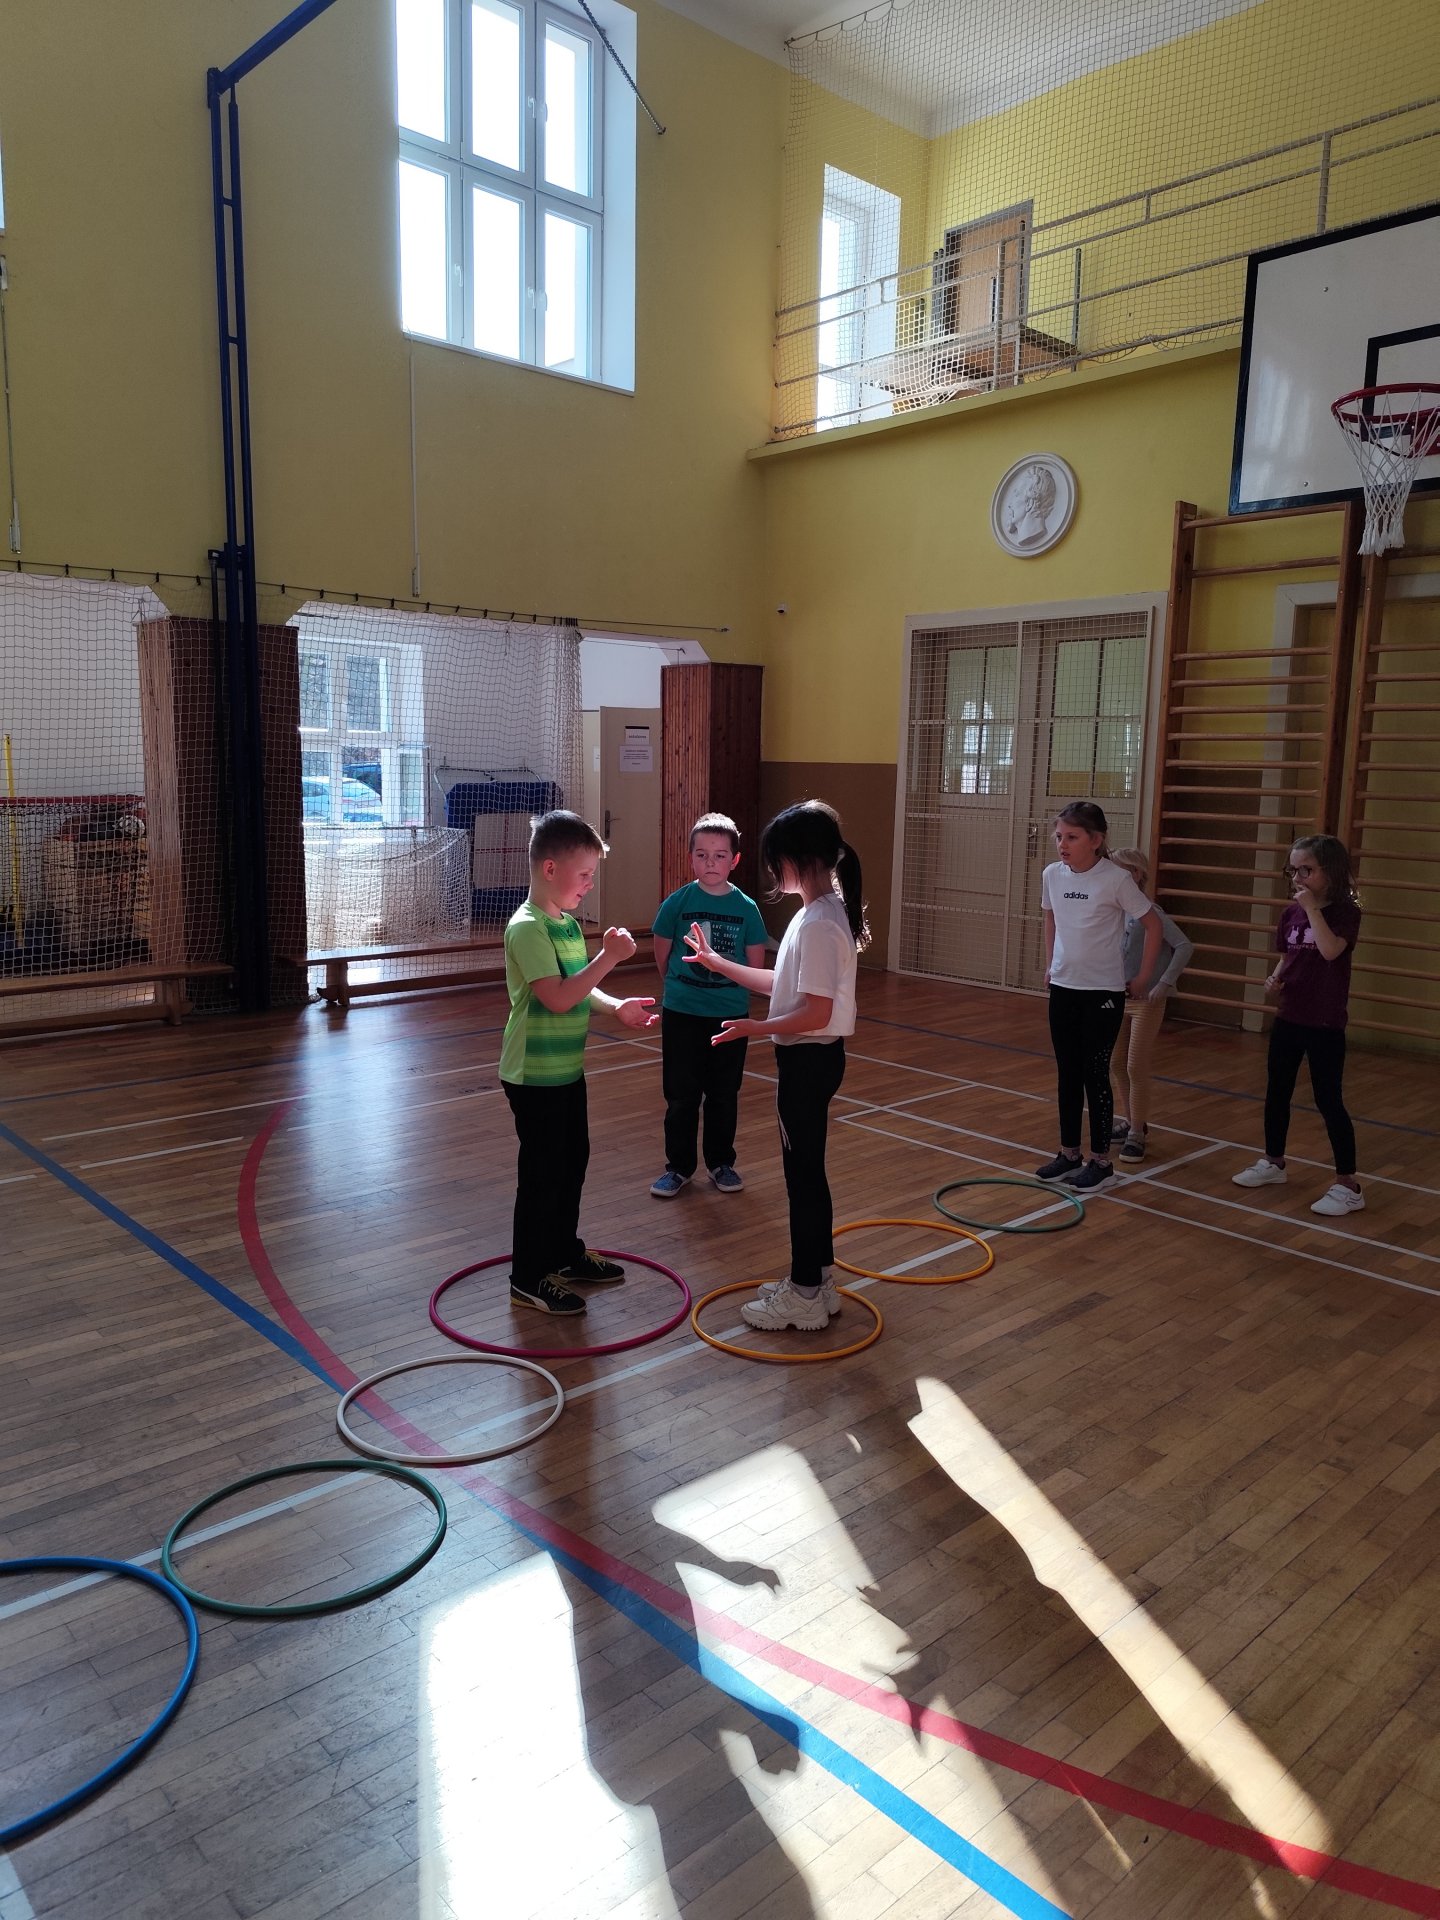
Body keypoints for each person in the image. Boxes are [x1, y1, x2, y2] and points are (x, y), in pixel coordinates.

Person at [682, 800, 865, 1332]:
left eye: (774, 860)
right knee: (807, 1174)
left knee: (802, 1179)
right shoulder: (815, 914)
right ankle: (817, 1281)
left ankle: (805, 1293)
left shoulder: (821, 923)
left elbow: (816, 1013)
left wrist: (753, 1029)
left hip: (809, 1060)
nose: (769, 871)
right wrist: (718, 963)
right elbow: (783, 986)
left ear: (797, 858)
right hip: (811, 1059)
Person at [500, 810, 658, 1314]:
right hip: (533, 1075)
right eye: (585, 874)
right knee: (542, 1175)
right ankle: (527, 1277)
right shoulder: (528, 928)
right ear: (550, 870)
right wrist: (609, 957)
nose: (590, 884)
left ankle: (563, 1254)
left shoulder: (565, 924)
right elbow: (558, 998)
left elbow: (581, 987)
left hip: (567, 1071)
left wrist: (617, 1007)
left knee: (571, 1166)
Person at [1232, 835, 1364, 1216]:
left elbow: (1330, 950)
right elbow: (1290, 954)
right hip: (1289, 1015)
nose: (1298, 878)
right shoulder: (1291, 913)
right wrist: (1276, 978)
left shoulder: (1345, 912)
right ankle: (1273, 1162)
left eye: (1307, 870)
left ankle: (1349, 1185)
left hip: (1324, 1022)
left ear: (1330, 871)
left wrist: (1312, 910)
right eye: (1293, 870)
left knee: (1328, 1099)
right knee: (1277, 1091)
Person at [1036, 801, 1163, 1192]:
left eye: (1072, 837)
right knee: (1068, 1073)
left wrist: (1143, 976)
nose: (1062, 844)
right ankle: (1069, 1153)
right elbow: (1051, 917)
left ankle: (1101, 1162)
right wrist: (1051, 964)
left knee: (1095, 1073)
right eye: (1059, 836)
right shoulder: (1052, 875)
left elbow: (1153, 925)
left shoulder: (1116, 879)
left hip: (1102, 993)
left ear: (1096, 840)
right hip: (1064, 988)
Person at [649, 812, 769, 1199]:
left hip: (729, 1015)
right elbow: (663, 955)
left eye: (720, 856)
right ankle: (678, 1168)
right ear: (691, 859)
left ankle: (721, 1163)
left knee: (723, 1093)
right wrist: (681, 989)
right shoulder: (677, 903)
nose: (711, 863)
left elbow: (755, 967)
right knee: (680, 1095)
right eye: (702, 855)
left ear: (735, 860)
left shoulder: (747, 908)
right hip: (682, 1013)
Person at [1106, 847, 1194, 1165]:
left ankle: (1137, 1134)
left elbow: (1184, 945)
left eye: (1121, 870)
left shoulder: (1150, 911)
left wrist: (1164, 983)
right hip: (1119, 997)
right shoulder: (1116, 910)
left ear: (1137, 874)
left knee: (1135, 1065)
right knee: (1116, 1062)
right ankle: (1132, 1120)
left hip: (1146, 1002)